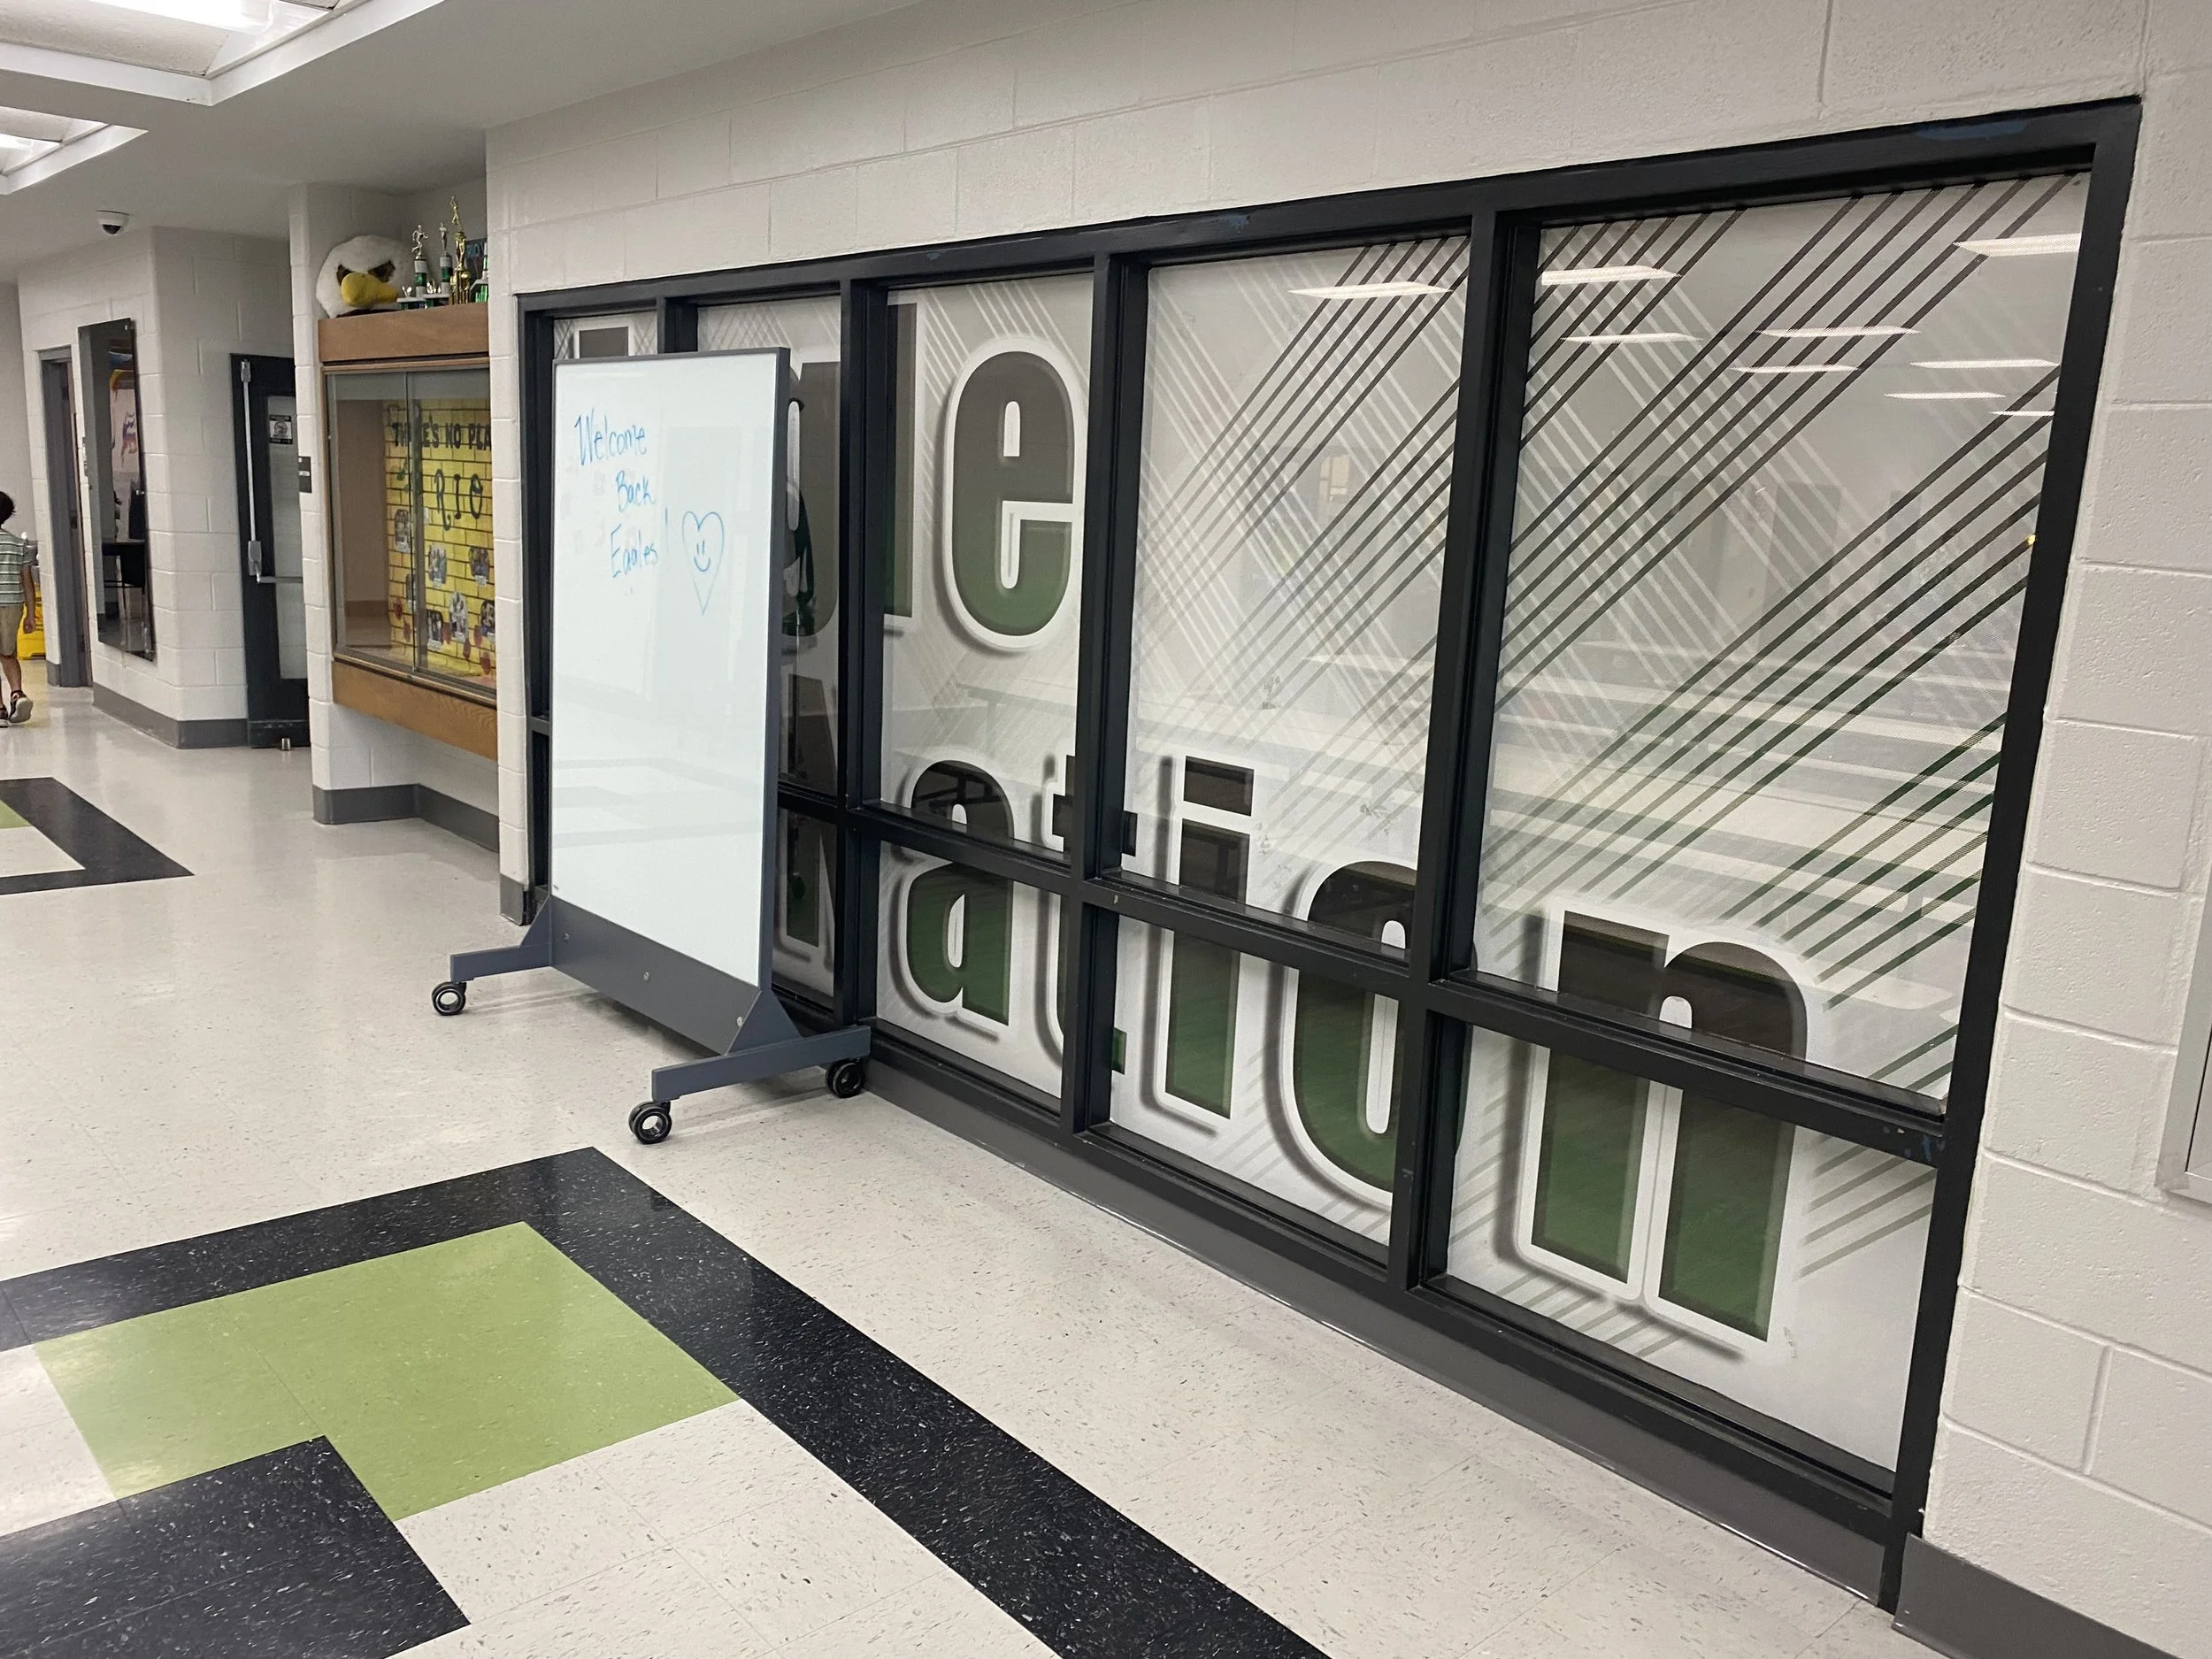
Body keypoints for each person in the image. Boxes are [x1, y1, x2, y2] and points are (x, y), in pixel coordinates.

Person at [0, 493, 32, 726]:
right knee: (8, 653)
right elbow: (27, 582)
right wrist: (31, 614)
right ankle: (17, 693)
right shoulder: (19, 544)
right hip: (12, 604)